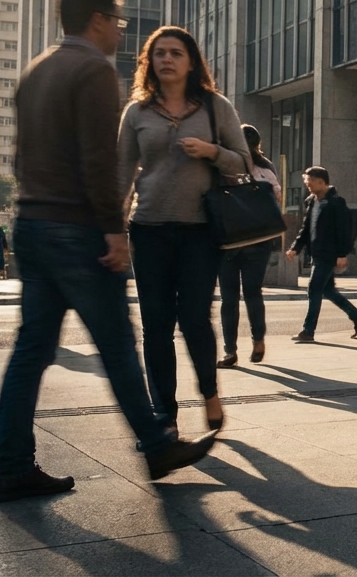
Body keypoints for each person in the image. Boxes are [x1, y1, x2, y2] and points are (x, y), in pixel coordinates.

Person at [0, 0, 214, 503]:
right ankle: (158, 444)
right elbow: (99, 161)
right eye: (117, 20)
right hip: (77, 229)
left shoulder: (36, 69)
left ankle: (12, 466)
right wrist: (113, 231)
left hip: (33, 224)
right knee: (117, 343)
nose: (120, 30)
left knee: (30, 351)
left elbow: (21, 160)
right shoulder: (92, 69)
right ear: (96, 19)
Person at [119, 25, 252, 435]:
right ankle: (166, 416)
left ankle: (210, 393)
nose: (167, 59)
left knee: (194, 318)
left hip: (199, 231)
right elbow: (121, 173)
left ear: (191, 61)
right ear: (149, 61)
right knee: (156, 325)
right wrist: (111, 228)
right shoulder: (137, 112)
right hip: (148, 229)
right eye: (159, 53)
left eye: (176, 53)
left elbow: (245, 163)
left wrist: (212, 151)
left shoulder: (214, 107)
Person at [217, 124, 283, 368]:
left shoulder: (224, 164)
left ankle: (229, 352)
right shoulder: (267, 166)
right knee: (253, 293)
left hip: (228, 241)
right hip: (259, 239)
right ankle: (258, 340)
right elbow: (276, 199)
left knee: (229, 298)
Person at [287, 167, 357, 342]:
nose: (307, 184)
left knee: (314, 288)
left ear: (321, 182)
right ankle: (356, 315)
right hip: (316, 253)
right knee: (328, 290)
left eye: (310, 181)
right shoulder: (311, 202)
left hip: (329, 254)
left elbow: (344, 231)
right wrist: (296, 247)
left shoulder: (336, 203)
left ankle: (308, 331)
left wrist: (342, 254)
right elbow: (306, 229)